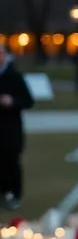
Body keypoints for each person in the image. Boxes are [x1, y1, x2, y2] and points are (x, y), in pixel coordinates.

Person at [0, 45, 34, 211]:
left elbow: (28, 100)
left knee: (11, 163)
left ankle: (14, 194)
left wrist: (12, 101)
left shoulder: (14, 76)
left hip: (10, 129)